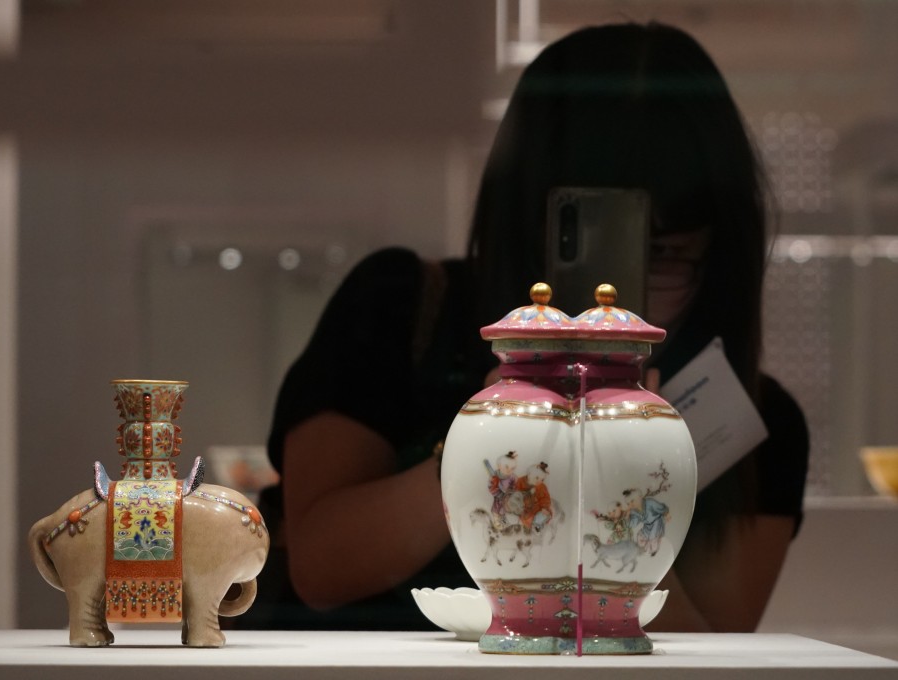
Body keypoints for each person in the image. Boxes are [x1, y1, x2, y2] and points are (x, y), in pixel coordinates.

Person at [248, 21, 809, 633]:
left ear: (717, 251)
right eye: (591, 240)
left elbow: (712, 657)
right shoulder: (401, 306)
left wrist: (623, 463)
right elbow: (324, 570)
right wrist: (493, 439)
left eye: (666, 253)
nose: (621, 287)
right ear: (528, 219)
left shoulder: (754, 420)